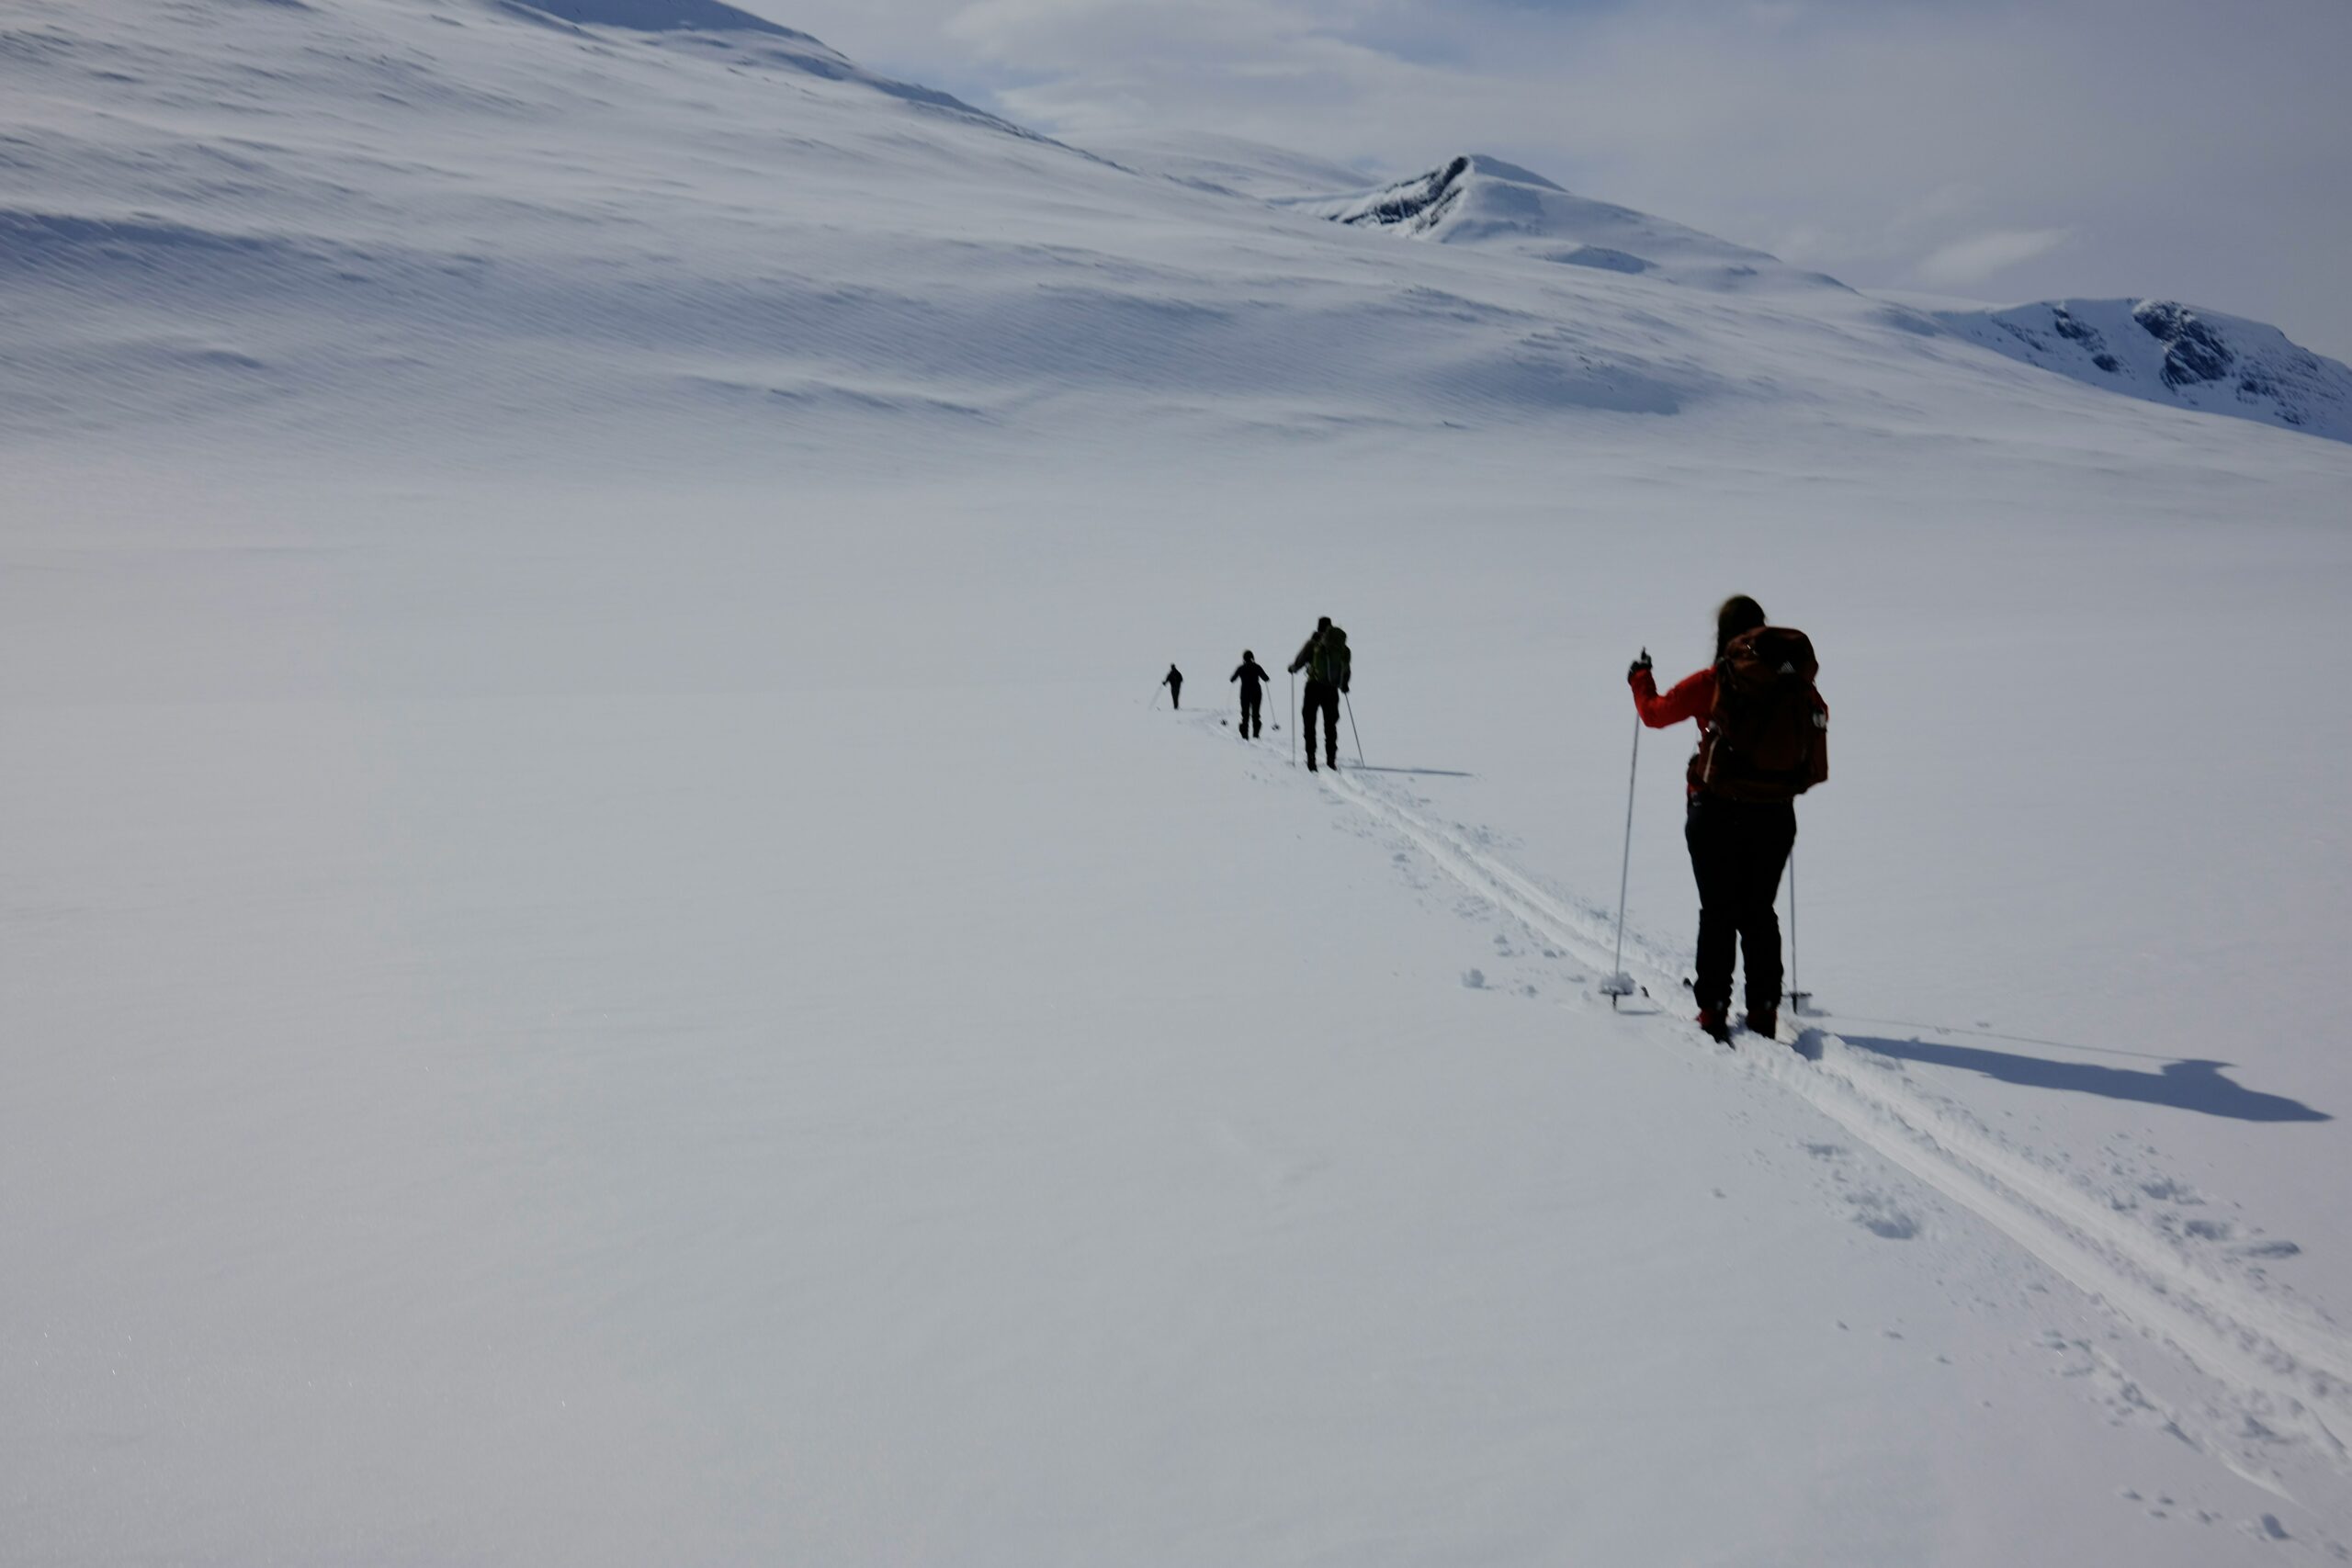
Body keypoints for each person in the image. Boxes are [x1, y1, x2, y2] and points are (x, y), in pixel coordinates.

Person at [1629, 595, 1826, 1044]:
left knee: (1718, 912)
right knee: (1759, 912)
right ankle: (1764, 1011)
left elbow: (1654, 714)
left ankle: (1713, 1011)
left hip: (1714, 811)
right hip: (1776, 814)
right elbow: (1819, 719)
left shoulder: (1716, 681)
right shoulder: (1796, 685)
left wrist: (1640, 678)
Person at [1286, 616, 1351, 772]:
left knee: (1309, 722)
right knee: (1330, 725)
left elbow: (1299, 662)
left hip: (1313, 687)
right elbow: (1346, 668)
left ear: (1318, 627)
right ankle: (1331, 760)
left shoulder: (1313, 644)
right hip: (1332, 689)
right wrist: (1344, 685)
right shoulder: (1340, 647)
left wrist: (1293, 668)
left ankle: (1311, 759)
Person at [1230, 650, 1272, 739]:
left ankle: (1245, 735)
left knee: (1245, 715)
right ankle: (1256, 734)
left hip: (1245, 693)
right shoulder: (1257, 667)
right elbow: (1266, 678)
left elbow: (1232, 679)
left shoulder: (1241, 668)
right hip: (1256, 692)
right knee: (1256, 714)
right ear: (1252, 657)